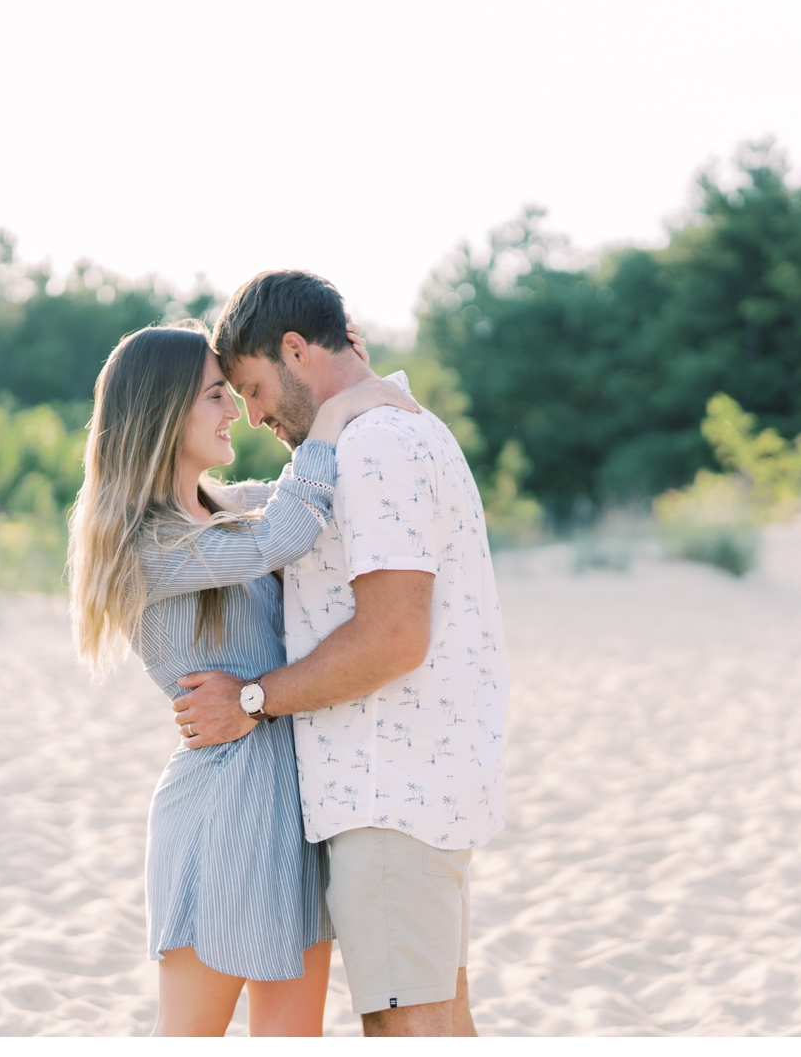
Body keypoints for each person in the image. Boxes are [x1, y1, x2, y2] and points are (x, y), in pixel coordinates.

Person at [171, 270, 511, 1037]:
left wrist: (251, 699)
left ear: (296, 350)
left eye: (254, 388)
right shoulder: (390, 429)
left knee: (407, 1031)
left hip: (388, 790)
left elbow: (393, 634)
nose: (252, 415)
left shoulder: (377, 444)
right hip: (419, 788)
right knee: (441, 1026)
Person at [66, 319, 418, 1037]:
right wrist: (338, 411)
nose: (233, 411)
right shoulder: (147, 542)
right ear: (163, 413)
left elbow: (306, 494)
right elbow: (289, 529)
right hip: (219, 810)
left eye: (231, 393)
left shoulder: (224, 508)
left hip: (293, 810)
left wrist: (341, 375)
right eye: (213, 396)